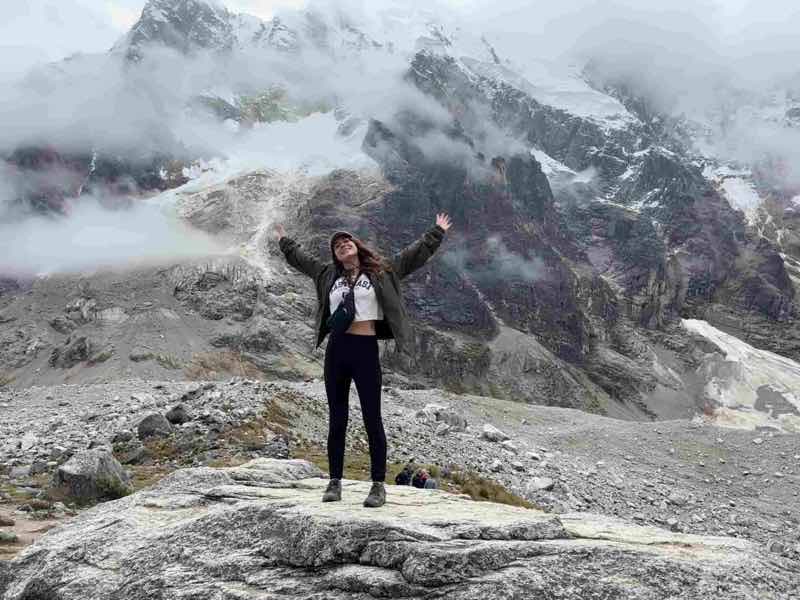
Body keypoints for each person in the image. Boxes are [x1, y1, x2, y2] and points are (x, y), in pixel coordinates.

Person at [274, 213, 453, 507]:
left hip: (365, 349)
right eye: (337, 246)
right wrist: (284, 241)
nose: (342, 245)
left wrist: (436, 232)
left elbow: (414, 255)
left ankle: (378, 486)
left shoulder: (382, 271)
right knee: (337, 419)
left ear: (357, 246)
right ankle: (334, 483)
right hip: (337, 349)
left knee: (372, 419)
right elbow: (301, 259)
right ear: (335, 255)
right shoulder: (327, 275)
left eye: (347, 241)